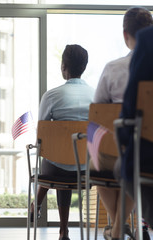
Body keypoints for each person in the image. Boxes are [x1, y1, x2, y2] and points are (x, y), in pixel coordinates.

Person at [93, 7, 153, 240]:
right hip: (143, 150)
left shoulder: (112, 68)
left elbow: (97, 114)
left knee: (102, 160)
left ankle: (117, 227)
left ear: (125, 35)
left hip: (133, 150)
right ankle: (121, 224)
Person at [31, 44, 94, 240]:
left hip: (56, 170)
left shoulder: (51, 95)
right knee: (69, 157)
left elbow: (40, 136)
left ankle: (61, 228)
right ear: (84, 67)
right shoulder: (96, 95)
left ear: (63, 66)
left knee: (57, 157)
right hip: (87, 168)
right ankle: (61, 228)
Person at [117, 25, 153, 228]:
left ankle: (117, 228)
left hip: (148, 154)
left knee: (123, 168)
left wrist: (124, 139)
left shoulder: (147, 41)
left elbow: (131, 105)